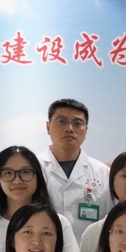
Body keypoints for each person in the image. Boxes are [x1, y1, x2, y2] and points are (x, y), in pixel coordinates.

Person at [39, 98, 111, 242]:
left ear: (86, 130)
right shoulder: (32, 168)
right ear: (48, 127)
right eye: (62, 121)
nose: (69, 128)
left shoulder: (103, 173)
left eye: (77, 123)